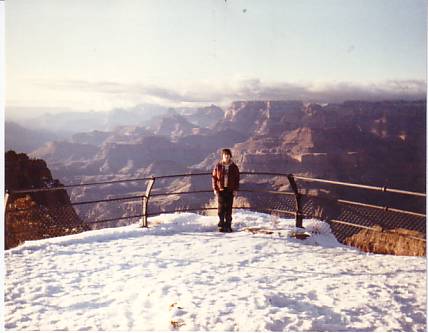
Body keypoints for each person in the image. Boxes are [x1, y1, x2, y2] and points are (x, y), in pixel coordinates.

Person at [212, 148, 240, 232]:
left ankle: (228, 225)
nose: (226, 156)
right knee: (221, 208)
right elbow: (214, 178)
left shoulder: (234, 167)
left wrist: (235, 189)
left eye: (228, 155)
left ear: (230, 156)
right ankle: (221, 224)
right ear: (222, 156)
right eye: (225, 155)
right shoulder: (218, 166)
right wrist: (215, 189)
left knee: (228, 208)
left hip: (230, 189)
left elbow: (237, 179)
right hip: (221, 189)